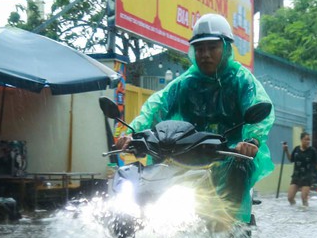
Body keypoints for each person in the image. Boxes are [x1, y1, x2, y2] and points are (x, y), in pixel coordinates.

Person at [115, 13, 274, 223]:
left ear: (226, 48)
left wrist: (251, 141)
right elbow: (155, 107)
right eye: (199, 49)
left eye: (212, 47)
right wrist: (130, 133)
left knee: (240, 167)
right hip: (186, 155)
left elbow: (258, 111)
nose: (205, 54)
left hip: (228, 155)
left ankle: (233, 229)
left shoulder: (242, 81)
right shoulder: (185, 83)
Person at [282, 132, 317, 206]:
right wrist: (286, 150)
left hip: (307, 177)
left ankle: (305, 213)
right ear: (301, 140)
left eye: (309, 140)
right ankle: (294, 211)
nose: (308, 142)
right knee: (290, 198)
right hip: (296, 176)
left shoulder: (312, 151)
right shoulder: (296, 149)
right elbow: (291, 159)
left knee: (304, 199)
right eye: (306, 139)